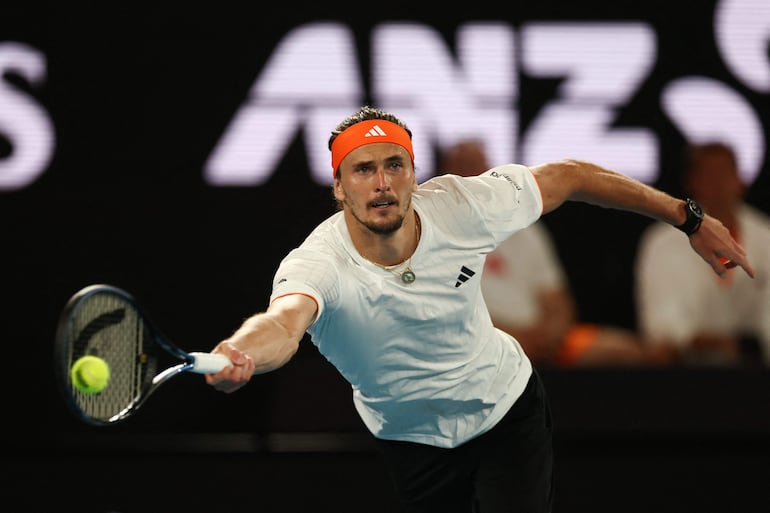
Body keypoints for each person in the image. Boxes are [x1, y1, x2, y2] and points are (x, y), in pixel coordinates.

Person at [205, 106, 753, 513]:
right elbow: (282, 323)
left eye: (394, 165)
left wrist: (689, 218)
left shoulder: (462, 206)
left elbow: (574, 177)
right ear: (339, 188)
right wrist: (240, 353)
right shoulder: (319, 262)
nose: (381, 184)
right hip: (412, 442)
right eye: (363, 170)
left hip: (504, 413)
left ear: (414, 174)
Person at [439, 140, 663, 367]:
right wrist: (515, 338)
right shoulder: (438, 234)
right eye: (464, 167)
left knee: (629, 352)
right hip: (482, 343)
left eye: (479, 168)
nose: (473, 176)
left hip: (545, 341)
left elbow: (557, 298)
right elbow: (450, 313)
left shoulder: (523, 225)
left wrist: (551, 336)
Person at [635, 141, 770, 366]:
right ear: (693, 182)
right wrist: (697, 341)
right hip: (686, 374)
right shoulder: (662, 242)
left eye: (725, 173)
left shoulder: (766, 238)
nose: (719, 184)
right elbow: (661, 324)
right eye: (710, 175)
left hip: (758, 373)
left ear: (740, 180)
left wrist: (748, 345)